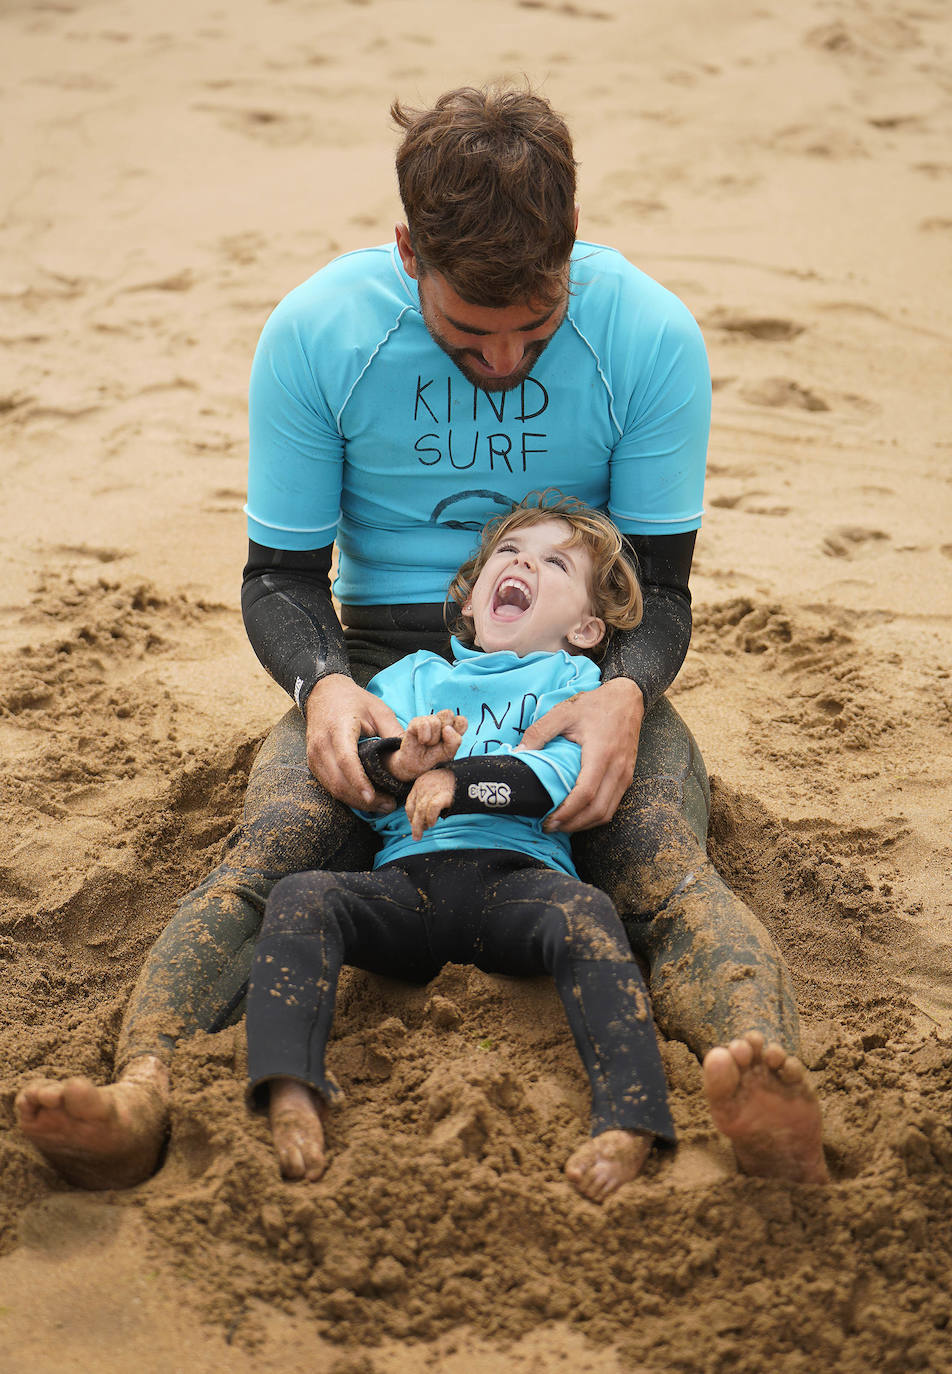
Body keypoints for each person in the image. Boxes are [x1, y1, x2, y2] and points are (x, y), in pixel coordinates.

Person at [15, 83, 827, 1189]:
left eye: (534, 330)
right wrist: (321, 687)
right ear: (409, 253)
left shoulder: (646, 334)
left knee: (669, 873)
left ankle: (760, 1091)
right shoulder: (318, 332)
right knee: (266, 860)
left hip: (576, 677)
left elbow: (666, 593)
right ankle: (141, 1094)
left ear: (571, 251)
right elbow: (278, 579)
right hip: (377, 673)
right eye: (466, 332)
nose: (502, 362)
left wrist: (624, 689)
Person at [249, 496, 675, 1204]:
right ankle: (291, 1086)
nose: (524, 563)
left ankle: (630, 1113)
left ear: (585, 627)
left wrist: (460, 779)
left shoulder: (572, 686)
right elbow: (366, 765)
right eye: (509, 553)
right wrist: (404, 762)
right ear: (470, 602)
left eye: (555, 561)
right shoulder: (413, 678)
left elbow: (558, 779)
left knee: (590, 917)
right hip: (407, 886)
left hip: (518, 881)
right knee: (302, 897)